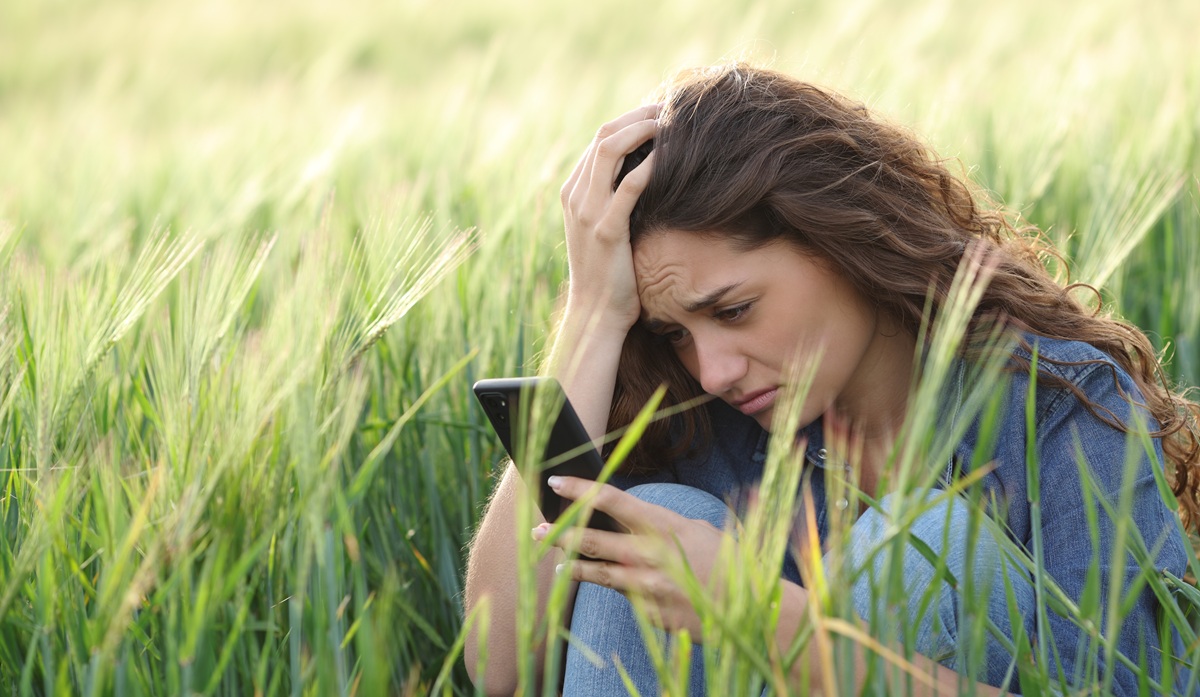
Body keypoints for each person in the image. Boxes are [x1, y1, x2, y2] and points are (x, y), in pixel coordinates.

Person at [462, 63, 1200, 695]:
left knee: (923, 541)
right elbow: (498, 667)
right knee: (643, 520)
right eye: (675, 333)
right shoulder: (698, 419)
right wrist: (595, 314)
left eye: (735, 308)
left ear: (839, 237)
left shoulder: (1058, 405)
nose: (712, 370)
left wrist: (763, 618)